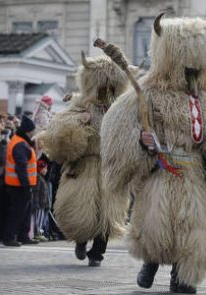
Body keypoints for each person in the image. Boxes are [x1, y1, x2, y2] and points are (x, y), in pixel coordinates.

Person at [99, 12, 206, 293]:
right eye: (187, 65)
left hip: (198, 176)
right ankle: (151, 261)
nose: (192, 72)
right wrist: (141, 142)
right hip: (161, 171)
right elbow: (117, 129)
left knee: (198, 231)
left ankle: (184, 277)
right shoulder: (147, 91)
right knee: (156, 227)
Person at [38, 53, 130, 267]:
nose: (106, 89)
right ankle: (80, 240)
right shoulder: (81, 104)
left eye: (110, 85)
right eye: (103, 84)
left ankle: (98, 252)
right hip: (85, 166)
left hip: (110, 169)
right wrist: (79, 122)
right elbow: (57, 130)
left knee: (108, 215)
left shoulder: (120, 108)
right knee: (82, 212)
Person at [3, 115, 39, 247]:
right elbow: (21, 168)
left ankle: (23, 235)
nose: (33, 133)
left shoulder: (20, 141)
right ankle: (10, 237)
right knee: (17, 212)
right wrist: (26, 186)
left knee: (24, 211)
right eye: (32, 131)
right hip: (19, 185)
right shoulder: (20, 144)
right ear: (27, 131)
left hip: (19, 184)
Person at [31, 159, 50, 241]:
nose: (46, 170)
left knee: (41, 218)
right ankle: (37, 232)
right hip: (39, 203)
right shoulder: (38, 178)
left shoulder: (42, 178)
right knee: (38, 219)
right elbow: (36, 191)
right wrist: (36, 201)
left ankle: (39, 232)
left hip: (43, 203)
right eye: (44, 168)